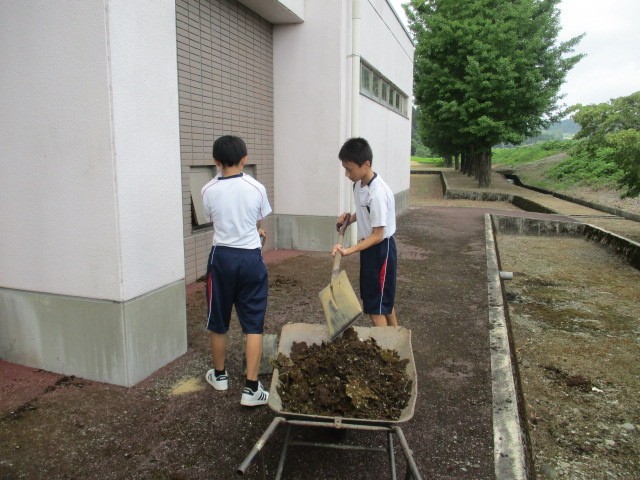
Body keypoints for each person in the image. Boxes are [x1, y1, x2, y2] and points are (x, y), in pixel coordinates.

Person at [201, 135, 271, 407]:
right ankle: (251, 389)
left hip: (221, 258)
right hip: (250, 259)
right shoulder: (257, 188)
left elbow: (218, 220)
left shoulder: (207, 190)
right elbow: (254, 220)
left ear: (216, 161)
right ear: (244, 159)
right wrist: (255, 231)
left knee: (218, 319)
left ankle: (219, 376)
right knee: (253, 324)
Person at [332, 137, 398, 327]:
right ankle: (397, 338)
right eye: (345, 169)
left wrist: (348, 250)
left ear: (366, 164)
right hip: (370, 248)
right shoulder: (358, 185)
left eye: (350, 169)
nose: (347, 174)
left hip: (382, 250)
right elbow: (365, 212)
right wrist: (349, 219)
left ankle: (386, 344)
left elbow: (378, 235)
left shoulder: (377, 193)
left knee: (376, 308)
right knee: (382, 302)